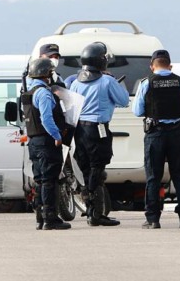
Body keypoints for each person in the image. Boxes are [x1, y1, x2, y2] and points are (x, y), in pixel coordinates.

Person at [132, 49, 180, 229]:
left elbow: (137, 111)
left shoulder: (146, 83)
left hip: (155, 134)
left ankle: (153, 219)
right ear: (170, 65)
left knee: (153, 177)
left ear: (152, 66)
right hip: (177, 134)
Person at [70, 42, 129, 226]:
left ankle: (90, 209)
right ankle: (95, 214)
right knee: (97, 168)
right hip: (98, 129)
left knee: (86, 169)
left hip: (79, 130)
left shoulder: (75, 82)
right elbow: (124, 100)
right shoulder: (106, 81)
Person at [21, 58, 71, 230]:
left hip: (34, 141)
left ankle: (40, 218)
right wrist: (57, 135)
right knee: (50, 180)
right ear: (46, 74)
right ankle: (50, 218)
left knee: (40, 180)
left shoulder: (28, 92)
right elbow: (46, 118)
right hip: (46, 140)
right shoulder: (43, 92)